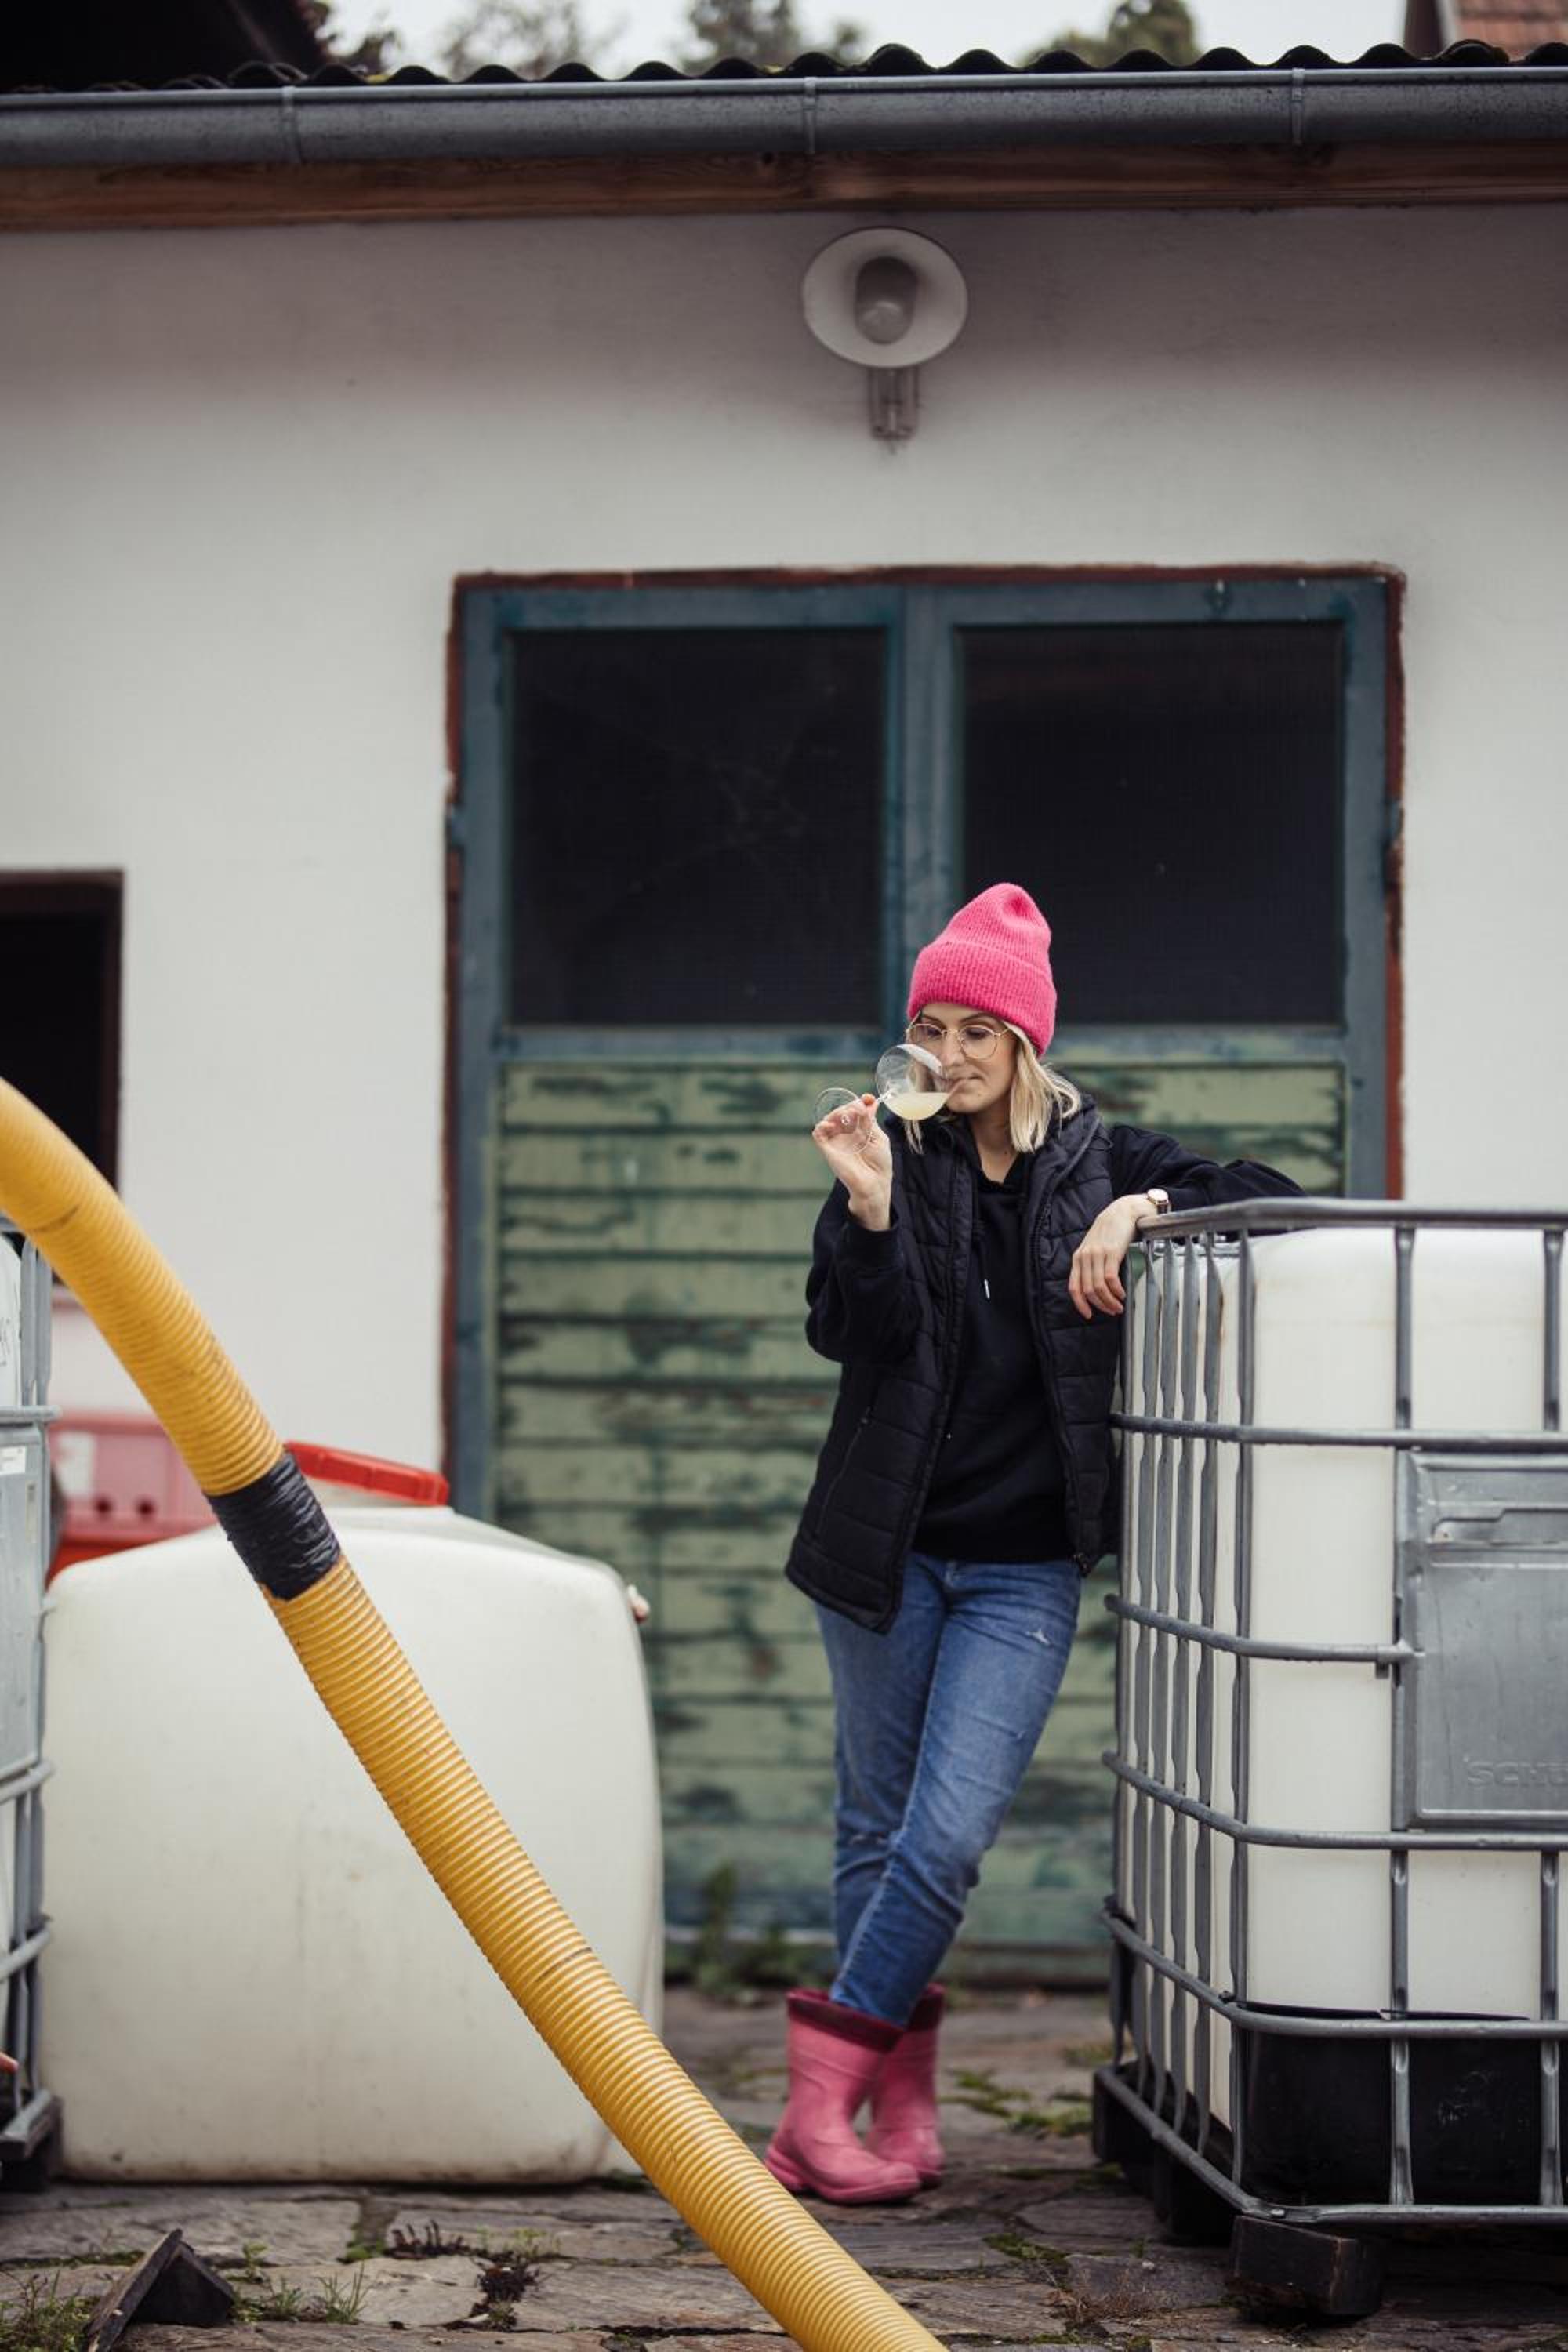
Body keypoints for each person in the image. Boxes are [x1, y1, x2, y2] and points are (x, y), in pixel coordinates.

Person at [764, 882, 1300, 2205]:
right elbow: (851, 1334)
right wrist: (869, 1213)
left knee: (944, 1839)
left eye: (975, 1033)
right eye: (929, 1029)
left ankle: (813, 2108)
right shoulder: (898, 1151)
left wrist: (1140, 1211)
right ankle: (896, 2103)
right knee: (876, 1830)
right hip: (884, 1548)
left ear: (1023, 1043)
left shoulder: (1099, 1156)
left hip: (1022, 1568)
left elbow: (1271, 1194)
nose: (947, 1056)